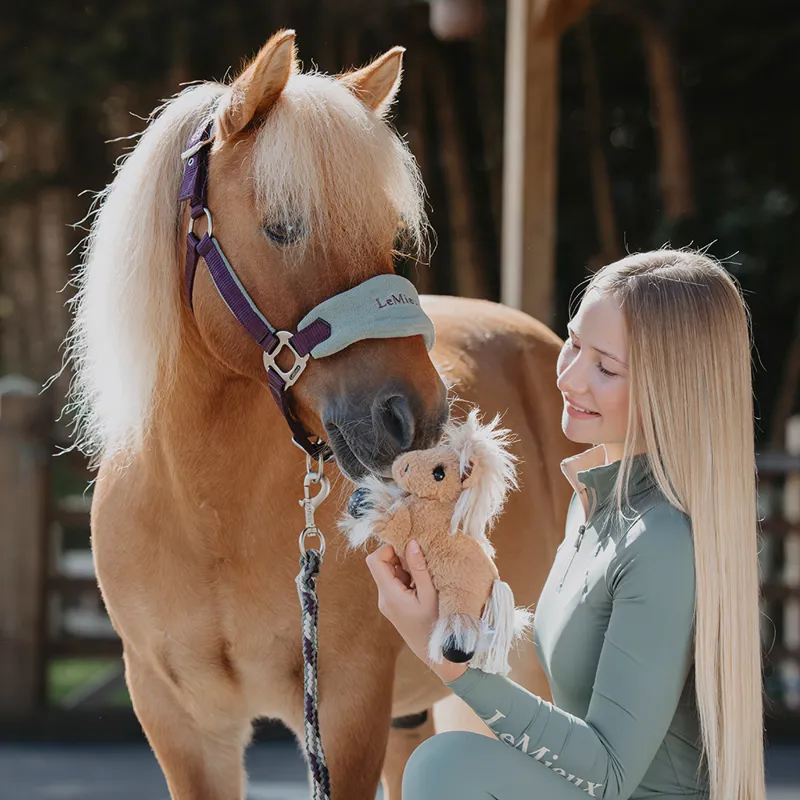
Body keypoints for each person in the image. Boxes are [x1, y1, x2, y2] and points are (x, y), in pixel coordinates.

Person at [366, 249, 767, 799]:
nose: (570, 377)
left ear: (673, 387)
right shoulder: (593, 504)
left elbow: (609, 772)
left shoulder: (663, 541)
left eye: (606, 368)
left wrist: (447, 658)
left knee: (445, 764)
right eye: (574, 344)